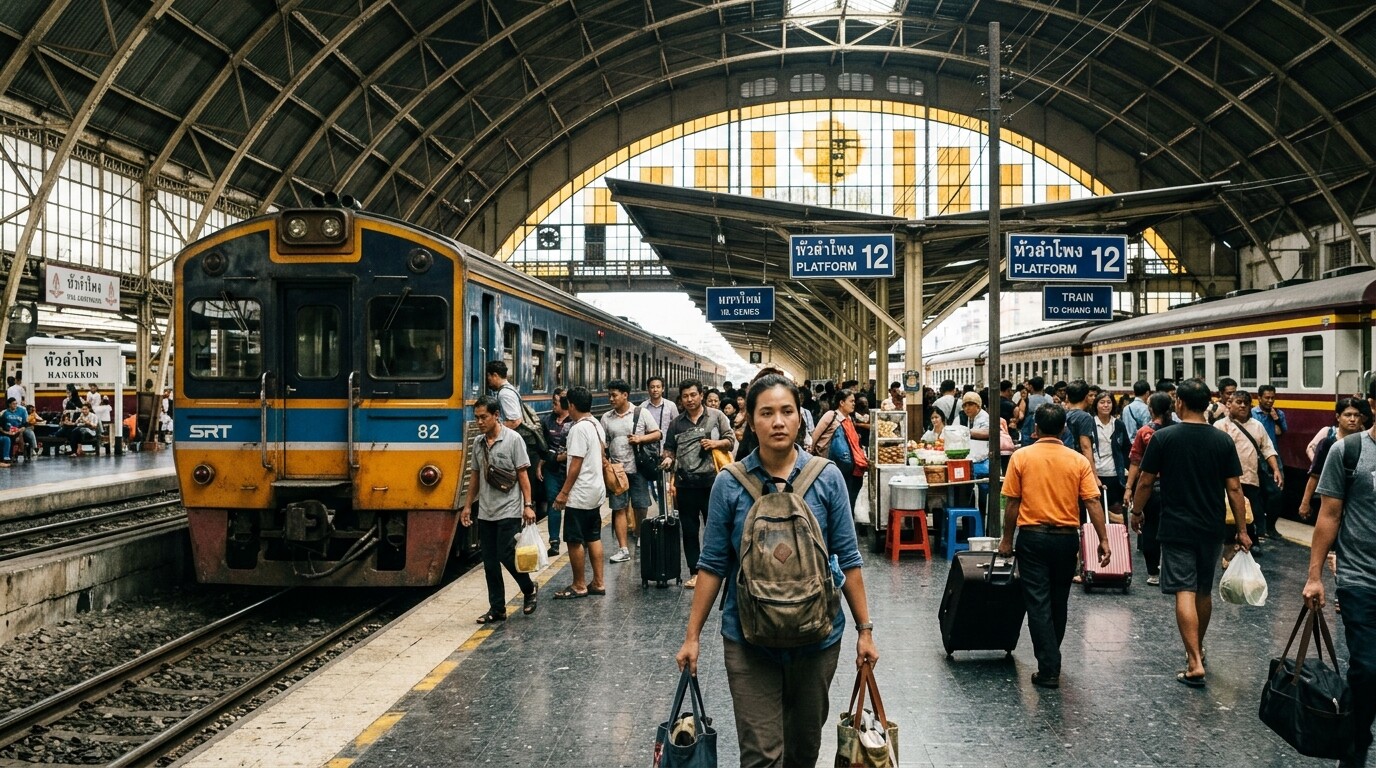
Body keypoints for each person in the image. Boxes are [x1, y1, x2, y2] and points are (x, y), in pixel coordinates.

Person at [675, 374, 878, 768]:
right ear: (751, 421)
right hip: (748, 639)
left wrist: (865, 631)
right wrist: (692, 637)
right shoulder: (729, 484)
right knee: (761, 755)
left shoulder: (827, 478)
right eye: (766, 413)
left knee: (803, 750)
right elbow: (713, 565)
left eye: (787, 411)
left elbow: (849, 558)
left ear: (800, 418)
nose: (778, 422)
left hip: (817, 637)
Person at [1134, 378, 1250, 688]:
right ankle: (1197, 648)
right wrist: (1242, 530)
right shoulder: (1222, 440)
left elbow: (1146, 481)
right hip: (1211, 527)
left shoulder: (1163, 438)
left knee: (1183, 590)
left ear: (1179, 403)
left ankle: (1194, 661)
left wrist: (1136, 511)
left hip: (1176, 527)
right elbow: (1235, 489)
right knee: (1203, 590)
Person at [998, 403, 1109, 689]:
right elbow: (1092, 501)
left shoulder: (1021, 457)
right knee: (1059, 601)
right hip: (1066, 539)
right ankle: (1051, 659)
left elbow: (1012, 503)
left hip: (1032, 538)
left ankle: (1049, 667)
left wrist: (1007, 539)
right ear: (1064, 429)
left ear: (1035, 428)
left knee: (1038, 602)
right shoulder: (1078, 461)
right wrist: (1103, 539)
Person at [1304, 411, 1376, 768]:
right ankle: (1357, 740)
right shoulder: (1348, 451)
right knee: (1367, 667)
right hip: (1360, 578)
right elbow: (1329, 514)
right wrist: (1314, 576)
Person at [461, 396, 538, 624]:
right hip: (486, 511)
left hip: (509, 510)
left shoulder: (514, 439)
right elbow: (475, 477)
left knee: (507, 554)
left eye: (483, 417)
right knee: (490, 562)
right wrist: (467, 506)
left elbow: (523, 475)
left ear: (496, 416)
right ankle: (497, 608)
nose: (479, 422)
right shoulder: (478, 443)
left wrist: (528, 505)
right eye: (477, 418)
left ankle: (529, 588)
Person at [661, 379, 736, 589]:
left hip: (713, 484)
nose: (690, 399)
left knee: (716, 528)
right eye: (685, 396)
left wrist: (715, 443)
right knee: (690, 531)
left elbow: (730, 441)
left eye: (693, 395)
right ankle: (695, 572)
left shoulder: (716, 416)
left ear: (701, 395)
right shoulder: (676, 423)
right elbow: (669, 448)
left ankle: (718, 569)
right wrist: (668, 459)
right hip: (685, 485)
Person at [552, 386, 608, 599]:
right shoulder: (595, 424)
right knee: (593, 537)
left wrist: (564, 493)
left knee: (574, 540)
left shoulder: (577, 429)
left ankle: (579, 585)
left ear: (572, 405)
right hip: (595, 489)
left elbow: (575, 463)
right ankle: (599, 583)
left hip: (580, 492)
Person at [1214, 390, 1280, 558]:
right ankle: (1228, 543)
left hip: (1250, 477)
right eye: (1239, 402)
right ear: (1229, 404)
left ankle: (1252, 541)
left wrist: (1276, 469)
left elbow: (1267, 449)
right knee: (1228, 511)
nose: (1243, 406)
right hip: (1226, 479)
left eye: (1246, 403)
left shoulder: (1257, 426)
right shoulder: (1220, 426)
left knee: (1253, 511)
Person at [601, 379, 660, 564]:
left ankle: (640, 534)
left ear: (625, 395)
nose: (611, 399)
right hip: (617, 471)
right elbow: (603, 443)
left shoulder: (640, 413)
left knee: (640, 505)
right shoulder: (606, 418)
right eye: (609, 395)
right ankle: (623, 548)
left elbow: (657, 433)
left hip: (638, 468)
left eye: (614, 395)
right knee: (618, 508)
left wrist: (640, 439)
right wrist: (605, 462)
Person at [1125, 392, 1175, 586]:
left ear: (1150, 409)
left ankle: (1153, 572)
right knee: (1173, 528)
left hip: (1151, 488)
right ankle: (1171, 569)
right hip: (1175, 487)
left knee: (1150, 528)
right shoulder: (1177, 430)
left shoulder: (1144, 432)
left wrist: (1129, 488)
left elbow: (1135, 462)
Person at [486, 360, 543, 516]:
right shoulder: (510, 389)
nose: (488, 381)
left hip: (523, 444)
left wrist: (496, 431)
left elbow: (514, 420)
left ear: (495, 375)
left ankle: (525, 515)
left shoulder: (504, 393)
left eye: (488, 377)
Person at [1299, 398, 1370, 521]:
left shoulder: (1367, 441)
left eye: (1356, 415)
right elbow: (1315, 475)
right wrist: (1305, 503)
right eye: (1348, 415)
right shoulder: (1328, 443)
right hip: (1332, 499)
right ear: (1338, 417)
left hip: (1359, 501)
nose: (1352, 419)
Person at [1252, 384, 1288, 536]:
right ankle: (1260, 527)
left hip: (1273, 455)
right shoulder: (1252, 413)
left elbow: (1283, 431)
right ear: (1259, 398)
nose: (1270, 401)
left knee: (1277, 492)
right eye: (1267, 398)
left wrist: (1276, 419)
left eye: (1273, 398)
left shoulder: (1278, 413)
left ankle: (1271, 526)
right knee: (1258, 492)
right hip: (1256, 456)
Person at [540, 388, 572, 556]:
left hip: (570, 470)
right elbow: (543, 446)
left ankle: (573, 538)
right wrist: (541, 464)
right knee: (553, 501)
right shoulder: (547, 421)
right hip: (552, 469)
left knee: (572, 504)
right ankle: (554, 542)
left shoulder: (574, 421)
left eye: (555, 403)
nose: (553, 406)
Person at [1092, 392, 1131, 521]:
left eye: (1109, 402)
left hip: (1115, 474)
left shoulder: (1118, 424)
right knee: (1097, 513)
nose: (1106, 405)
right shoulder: (1090, 423)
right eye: (1102, 402)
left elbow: (1126, 449)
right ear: (1096, 405)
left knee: (1117, 512)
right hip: (1096, 474)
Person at [640, 376, 679, 506]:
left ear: (663, 389)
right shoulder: (642, 407)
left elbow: (677, 428)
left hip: (666, 452)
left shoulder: (671, 406)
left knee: (667, 487)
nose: (655, 390)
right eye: (652, 387)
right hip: (649, 454)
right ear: (648, 389)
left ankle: (667, 511)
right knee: (652, 487)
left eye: (658, 387)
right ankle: (658, 510)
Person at [832, 389, 869, 512]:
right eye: (851, 401)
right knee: (845, 501)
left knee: (851, 500)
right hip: (845, 468)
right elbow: (839, 448)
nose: (854, 404)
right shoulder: (835, 420)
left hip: (854, 465)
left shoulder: (849, 419)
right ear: (842, 403)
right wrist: (848, 463)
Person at [1061, 380, 1096, 467]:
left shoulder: (1063, 414)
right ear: (1086, 397)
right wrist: (1093, 472)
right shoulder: (1085, 417)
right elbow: (1085, 447)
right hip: (1078, 463)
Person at [956, 391, 991, 465]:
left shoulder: (984, 417)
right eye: (965, 406)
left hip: (983, 460)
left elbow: (987, 432)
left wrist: (967, 431)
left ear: (978, 406)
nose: (967, 408)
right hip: (974, 458)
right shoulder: (969, 417)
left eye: (970, 405)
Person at [3, 397, 35, 461]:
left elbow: (25, 423)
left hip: (20, 428)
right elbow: (3, 424)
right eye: (13, 404)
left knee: (24, 433)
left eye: (16, 404)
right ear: (9, 404)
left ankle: (33, 449)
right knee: (14, 436)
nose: (15, 405)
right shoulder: (5, 413)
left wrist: (22, 428)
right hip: (9, 430)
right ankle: (15, 453)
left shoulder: (22, 411)